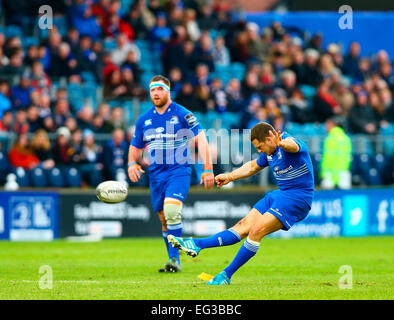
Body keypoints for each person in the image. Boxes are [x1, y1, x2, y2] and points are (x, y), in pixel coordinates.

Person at [168, 122, 314, 285]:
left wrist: (282, 144)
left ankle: (225, 276)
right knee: (243, 225)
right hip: (280, 195)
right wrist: (230, 176)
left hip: (298, 197)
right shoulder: (268, 153)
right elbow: (252, 167)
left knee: (256, 230)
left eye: (259, 147)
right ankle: (196, 244)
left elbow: (295, 147)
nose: (259, 151)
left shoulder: (286, 141)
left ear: (269, 139)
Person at [128, 75, 214, 273]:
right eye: (152, 90)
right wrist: (132, 163)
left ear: (168, 91)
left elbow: (202, 139)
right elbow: (135, 146)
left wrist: (208, 168)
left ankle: (175, 260)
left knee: (172, 211)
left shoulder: (183, 114)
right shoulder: (144, 119)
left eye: (159, 89)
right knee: (164, 218)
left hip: (179, 170)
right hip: (156, 174)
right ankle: (172, 259)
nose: (156, 93)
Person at [320, 117, 352, 189]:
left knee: (329, 198)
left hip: (330, 174)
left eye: (327, 125)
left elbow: (328, 157)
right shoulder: (346, 138)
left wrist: (323, 173)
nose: (325, 127)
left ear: (332, 125)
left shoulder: (330, 139)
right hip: (344, 173)